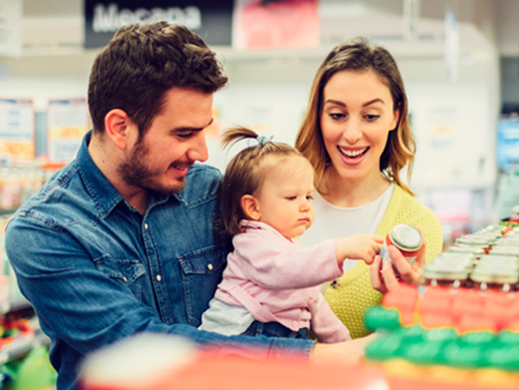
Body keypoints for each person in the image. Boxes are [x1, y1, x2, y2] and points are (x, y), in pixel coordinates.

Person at [4, 23, 371, 390]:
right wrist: (325, 359)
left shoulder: (209, 191)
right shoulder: (44, 231)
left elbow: (278, 253)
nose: (201, 152)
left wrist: (379, 257)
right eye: (184, 134)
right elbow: (138, 343)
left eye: (204, 130)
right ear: (119, 128)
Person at [295, 37, 444, 339]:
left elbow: (418, 347)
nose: (351, 134)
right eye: (337, 115)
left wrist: (412, 307)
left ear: (395, 116)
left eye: (370, 116)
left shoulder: (418, 227)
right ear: (318, 116)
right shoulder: (275, 201)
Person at [198, 127, 383, 342]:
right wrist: (339, 249)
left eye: (308, 196)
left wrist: (343, 344)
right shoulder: (251, 242)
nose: (305, 206)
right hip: (236, 336)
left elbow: (314, 301)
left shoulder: (291, 250)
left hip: (284, 338)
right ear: (253, 207)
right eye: (292, 197)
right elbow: (286, 268)